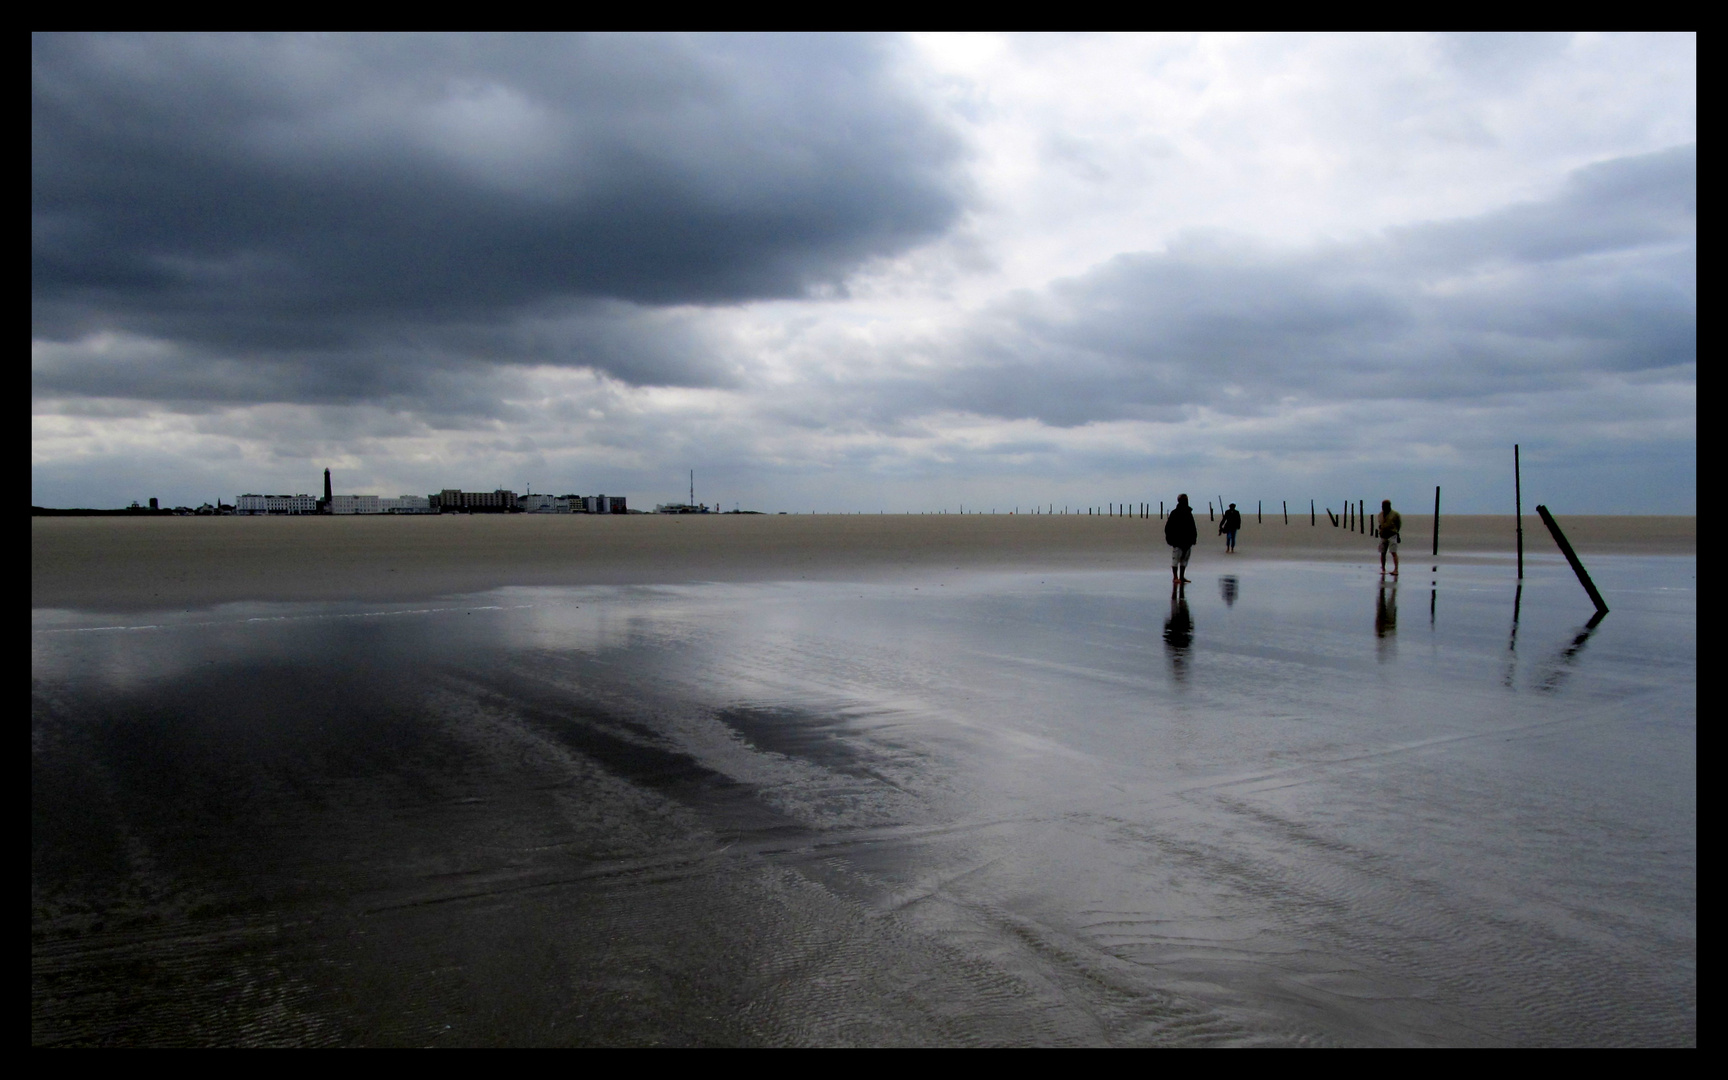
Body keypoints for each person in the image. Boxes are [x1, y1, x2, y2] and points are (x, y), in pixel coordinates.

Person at [1165, 493, 1197, 584]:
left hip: (1188, 540)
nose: (1186, 502)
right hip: (1177, 541)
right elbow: (1168, 527)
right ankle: (1175, 577)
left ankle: (1182, 577)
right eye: (1184, 500)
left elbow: (1192, 526)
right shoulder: (1175, 513)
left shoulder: (1188, 513)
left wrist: (1193, 538)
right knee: (1175, 559)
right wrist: (1170, 539)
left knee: (1184, 560)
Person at [1377, 499, 1402, 577]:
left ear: (1389, 506)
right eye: (1383, 506)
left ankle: (1396, 569)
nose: (1383, 508)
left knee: (1393, 552)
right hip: (1383, 535)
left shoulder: (1395, 514)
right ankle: (1383, 569)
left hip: (1392, 535)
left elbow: (1399, 524)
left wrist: (1397, 533)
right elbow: (1380, 523)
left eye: (1385, 506)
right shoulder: (1380, 514)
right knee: (1382, 552)